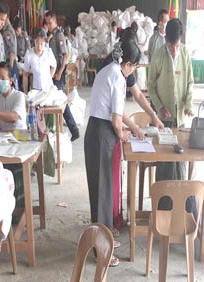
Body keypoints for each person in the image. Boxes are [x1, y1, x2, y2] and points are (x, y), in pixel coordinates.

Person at [85, 39, 143, 267]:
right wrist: (124, 134)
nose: (133, 72)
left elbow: (117, 112)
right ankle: (101, 251)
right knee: (103, 195)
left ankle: (104, 236)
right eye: (134, 67)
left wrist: (135, 128)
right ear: (128, 63)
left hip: (97, 132)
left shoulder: (107, 69)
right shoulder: (118, 77)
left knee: (103, 192)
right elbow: (116, 122)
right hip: (103, 135)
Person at [148, 18, 194, 210]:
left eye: (176, 46)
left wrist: (188, 103)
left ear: (180, 42)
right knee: (166, 163)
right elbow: (150, 86)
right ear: (165, 39)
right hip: (164, 119)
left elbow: (190, 82)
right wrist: (159, 106)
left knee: (181, 162)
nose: (174, 50)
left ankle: (180, 210)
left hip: (180, 117)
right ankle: (163, 209)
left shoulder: (185, 53)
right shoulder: (159, 55)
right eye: (170, 46)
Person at [100, 27, 164, 129]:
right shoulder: (113, 69)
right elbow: (116, 108)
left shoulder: (124, 62)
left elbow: (138, 94)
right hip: (105, 122)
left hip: (112, 121)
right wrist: (134, 128)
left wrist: (153, 115)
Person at [45, 11, 80, 141]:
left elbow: (65, 55)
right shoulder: (51, 35)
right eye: (46, 23)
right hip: (52, 74)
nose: (48, 25)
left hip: (58, 74)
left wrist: (59, 72)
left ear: (55, 21)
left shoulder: (59, 36)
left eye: (50, 23)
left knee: (60, 103)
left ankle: (73, 129)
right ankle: (71, 129)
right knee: (59, 102)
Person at [0, 62, 26, 130]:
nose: (0, 81)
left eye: (3, 78)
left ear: (10, 80)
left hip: (21, 136)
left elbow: (14, 117)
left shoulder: (18, 96)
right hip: (4, 136)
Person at [22, 29, 56, 93]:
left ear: (45, 43)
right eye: (37, 43)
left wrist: (49, 77)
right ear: (34, 40)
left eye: (42, 44)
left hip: (48, 88)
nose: (39, 47)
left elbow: (54, 66)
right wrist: (25, 93)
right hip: (36, 89)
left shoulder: (48, 52)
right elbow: (25, 75)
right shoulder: (29, 54)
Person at [2, 16, 19, 89]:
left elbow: (11, 51)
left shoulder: (7, 31)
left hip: (10, 62)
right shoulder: (6, 30)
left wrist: (10, 69)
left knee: (13, 88)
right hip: (9, 62)